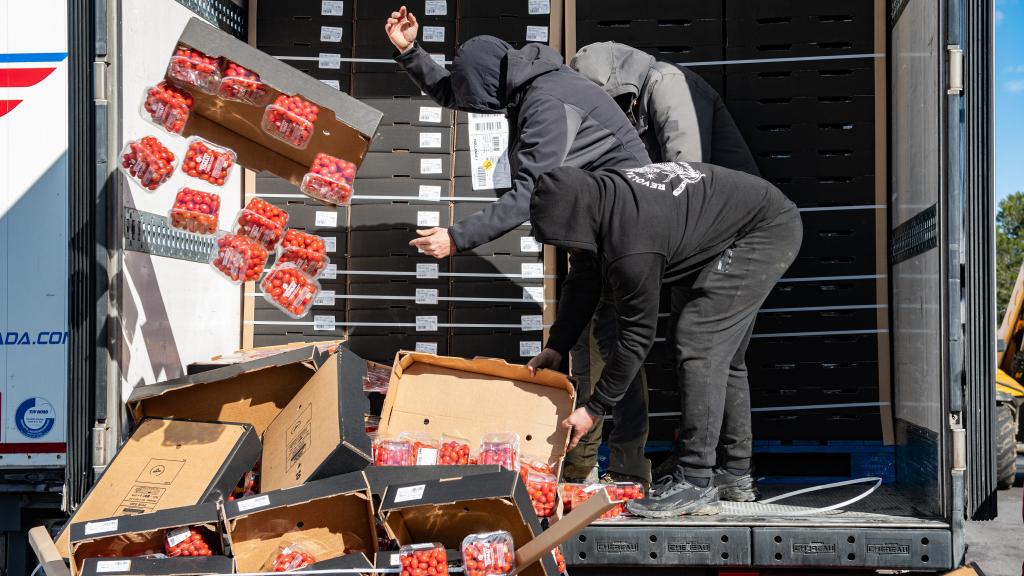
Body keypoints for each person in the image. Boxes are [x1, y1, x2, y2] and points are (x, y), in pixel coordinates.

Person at [526, 161, 802, 516]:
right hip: (718, 232)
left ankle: (696, 480)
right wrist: (556, 346)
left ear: (576, 218)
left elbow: (637, 337)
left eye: (564, 238)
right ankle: (735, 472)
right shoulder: (599, 204)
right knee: (721, 355)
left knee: (700, 342)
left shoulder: (632, 246)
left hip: (763, 228)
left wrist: (594, 409)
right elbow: (583, 281)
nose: (567, 247)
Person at [566, 42, 763, 496]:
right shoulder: (621, 105)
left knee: (713, 350)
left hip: (731, 233)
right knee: (662, 339)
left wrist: (638, 251)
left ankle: (731, 472)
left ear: (618, 88)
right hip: (693, 235)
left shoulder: (666, 84)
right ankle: (670, 465)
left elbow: (685, 180)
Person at [383, 7, 651, 259]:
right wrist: (409, 50)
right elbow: (457, 94)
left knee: (620, 307)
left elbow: (531, 189)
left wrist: (456, 237)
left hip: (630, 217)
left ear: (490, 85)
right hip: (600, 216)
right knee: (580, 304)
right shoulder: (523, 81)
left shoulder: (548, 102)